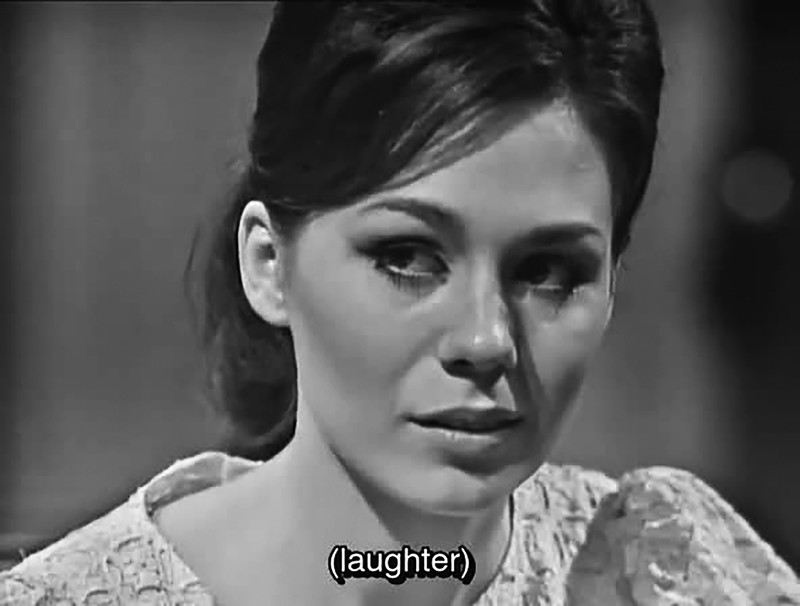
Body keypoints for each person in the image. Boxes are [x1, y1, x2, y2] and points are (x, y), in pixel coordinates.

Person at [2, 1, 799, 604]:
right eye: (408, 257)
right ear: (269, 265)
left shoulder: (659, 571)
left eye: (549, 270)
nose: (486, 339)